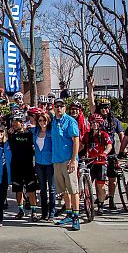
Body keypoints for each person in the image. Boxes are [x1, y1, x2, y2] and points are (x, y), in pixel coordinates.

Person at [50, 99, 82, 231]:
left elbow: (76, 140)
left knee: (73, 189)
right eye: (57, 106)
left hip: (68, 160)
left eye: (61, 106)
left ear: (65, 108)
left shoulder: (70, 121)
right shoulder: (53, 121)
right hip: (56, 160)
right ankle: (68, 213)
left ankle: (76, 216)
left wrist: (73, 159)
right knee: (63, 189)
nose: (59, 108)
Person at [94, 98, 126, 210]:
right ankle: (100, 198)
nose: (104, 110)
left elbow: (121, 134)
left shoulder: (115, 121)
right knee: (99, 178)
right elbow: (91, 103)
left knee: (112, 177)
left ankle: (111, 198)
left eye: (106, 107)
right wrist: (90, 89)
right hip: (98, 150)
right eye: (102, 107)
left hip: (111, 151)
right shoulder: (97, 119)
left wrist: (123, 149)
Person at [8, 113, 39, 222]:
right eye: (13, 123)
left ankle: (34, 211)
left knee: (31, 190)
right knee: (18, 190)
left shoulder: (29, 134)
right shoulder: (11, 135)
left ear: (22, 122)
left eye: (16, 122)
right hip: (16, 166)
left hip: (28, 166)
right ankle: (20, 210)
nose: (14, 124)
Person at [81, 113, 112, 215]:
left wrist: (104, 153)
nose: (94, 124)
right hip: (90, 162)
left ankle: (101, 205)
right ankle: (88, 201)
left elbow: (109, 145)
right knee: (87, 184)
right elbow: (81, 146)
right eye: (92, 122)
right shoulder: (87, 135)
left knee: (100, 185)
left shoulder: (103, 134)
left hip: (101, 162)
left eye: (97, 123)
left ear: (100, 124)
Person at [33, 112, 55, 221]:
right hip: (39, 163)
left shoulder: (52, 133)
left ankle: (52, 213)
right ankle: (44, 213)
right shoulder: (35, 132)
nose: (42, 123)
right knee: (42, 189)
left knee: (51, 189)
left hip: (50, 164)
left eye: (44, 120)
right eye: (40, 120)